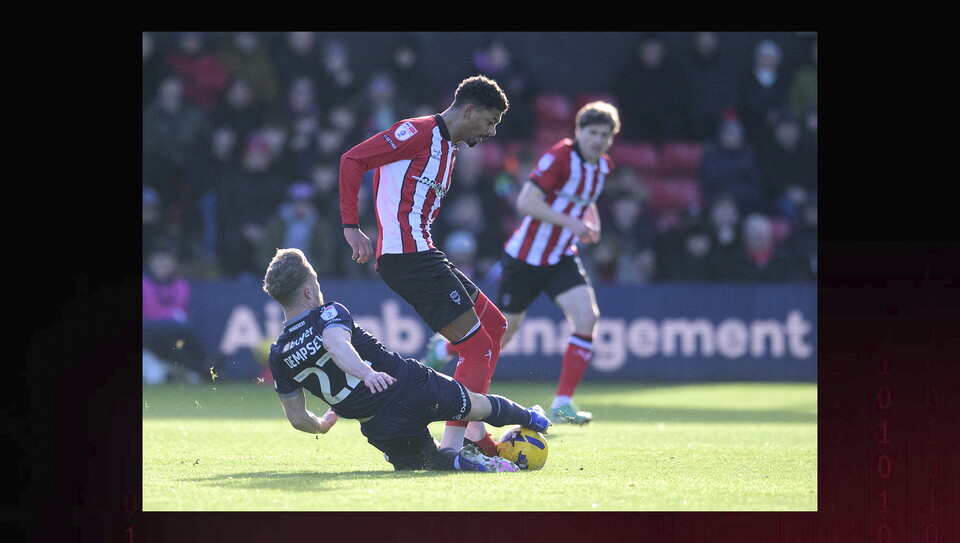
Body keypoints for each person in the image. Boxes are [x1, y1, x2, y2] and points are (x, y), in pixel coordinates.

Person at [338, 75, 511, 456]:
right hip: (408, 258)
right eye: (490, 121)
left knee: (496, 327)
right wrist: (352, 226)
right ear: (469, 110)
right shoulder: (415, 132)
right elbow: (352, 160)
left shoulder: (449, 149)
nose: (492, 131)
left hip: (425, 254)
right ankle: (453, 451)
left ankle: (472, 432)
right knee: (477, 347)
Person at [262, 248, 550, 472]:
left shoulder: (279, 354)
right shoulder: (328, 314)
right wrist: (366, 373)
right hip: (409, 385)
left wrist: (321, 426)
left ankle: (461, 462)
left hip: (381, 426)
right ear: (308, 291)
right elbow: (335, 344)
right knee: (476, 405)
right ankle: (534, 418)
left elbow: (297, 418)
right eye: (315, 278)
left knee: (431, 462)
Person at [432, 101, 622, 425]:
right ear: (579, 131)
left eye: (605, 135)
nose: (597, 140)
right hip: (526, 259)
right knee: (499, 338)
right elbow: (526, 202)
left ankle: (562, 403)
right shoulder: (560, 157)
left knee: (587, 318)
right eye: (592, 133)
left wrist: (591, 223)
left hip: (561, 256)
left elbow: (586, 200)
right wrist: (570, 223)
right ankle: (444, 350)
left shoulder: (602, 166)